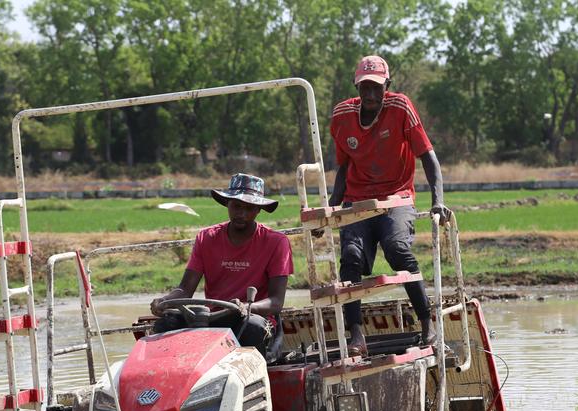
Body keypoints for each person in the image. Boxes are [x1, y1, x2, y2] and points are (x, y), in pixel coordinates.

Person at [328, 55, 451, 357]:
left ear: (388, 86)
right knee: (351, 258)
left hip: (396, 196)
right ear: (357, 87)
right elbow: (343, 168)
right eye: (365, 88)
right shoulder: (342, 115)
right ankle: (356, 335)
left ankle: (427, 323)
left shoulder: (400, 107)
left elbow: (428, 158)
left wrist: (438, 203)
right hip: (357, 199)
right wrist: (332, 208)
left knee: (397, 248)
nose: (370, 95)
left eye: (376, 88)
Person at [150, 173, 293, 359]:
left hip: (249, 317)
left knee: (254, 328)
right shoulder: (206, 238)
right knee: (166, 323)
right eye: (236, 206)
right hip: (212, 318)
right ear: (227, 204)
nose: (241, 213)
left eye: (249, 208)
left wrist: (245, 307)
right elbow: (185, 289)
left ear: (258, 209)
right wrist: (165, 300)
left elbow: (276, 302)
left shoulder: (276, 242)